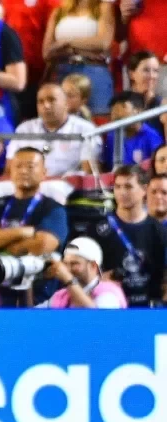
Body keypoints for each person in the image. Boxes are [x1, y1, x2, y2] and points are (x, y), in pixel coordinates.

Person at [0, 146, 68, 307]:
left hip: (39, 298)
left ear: (44, 172)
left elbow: (44, 244)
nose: (24, 171)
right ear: (11, 171)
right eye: (18, 166)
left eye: (30, 166)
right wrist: (26, 232)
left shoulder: (53, 208)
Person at [90, 165, 167, 307]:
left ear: (144, 189)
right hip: (111, 304)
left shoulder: (159, 231)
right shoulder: (98, 229)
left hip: (149, 307)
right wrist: (98, 280)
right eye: (117, 187)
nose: (122, 192)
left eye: (128, 187)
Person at [42, 0, 115, 117]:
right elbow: (47, 52)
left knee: (97, 120)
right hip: (61, 72)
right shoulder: (59, 11)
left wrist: (67, 42)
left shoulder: (103, 7)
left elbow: (103, 42)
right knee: (60, 119)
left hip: (93, 72)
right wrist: (84, 48)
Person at [37, 236, 127, 308]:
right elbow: (33, 317)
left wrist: (69, 280)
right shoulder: (62, 295)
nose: (67, 269)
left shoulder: (108, 292)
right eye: (65, 264)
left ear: (93, 265)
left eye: (74, 263)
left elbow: (98, 321)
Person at [100, 92, 163, 172]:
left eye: (123, 107)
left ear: (139, 111)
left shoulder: (152, 137)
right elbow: (107, 167)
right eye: (113, 110)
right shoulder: (111, 137)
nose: (116, 114)